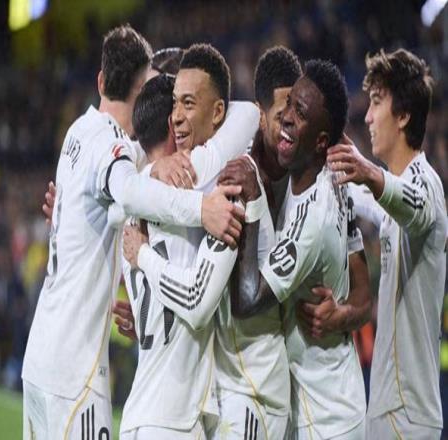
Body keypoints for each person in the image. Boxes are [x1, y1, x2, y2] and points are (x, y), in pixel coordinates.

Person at [22, 27, 243, 439]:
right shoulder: (116, 150)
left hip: (39, 359)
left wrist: (148, 170)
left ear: (100, 81)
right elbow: (128, 191)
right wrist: (201, 208)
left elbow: (119, 197)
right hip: (76, 372)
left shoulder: (77, 131)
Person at [120, 44, 260, 439]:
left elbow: (126, 192)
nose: (181, 118)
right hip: (174, 418)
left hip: (139, 413)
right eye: (176, 108)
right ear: (170, 125)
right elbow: (249, 114)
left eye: (187, 104)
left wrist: (149, 172)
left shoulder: (127, 211)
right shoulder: (193, 179)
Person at [230, 60, 366, 439]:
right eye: (289, 104)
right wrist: (344, 315)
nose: (287, 118)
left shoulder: (311, 220)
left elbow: (246, 299)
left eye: (300, 113)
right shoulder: (331, 176)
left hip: (325, 419)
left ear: (321, 142)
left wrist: (252, 204)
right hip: (337, 400)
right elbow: (363, 288)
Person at [328, 48, 447, 439]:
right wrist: (339, 166)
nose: (367, 116)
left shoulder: (426, 183)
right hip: (389, 408)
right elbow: (375, 202)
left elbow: (417, 208)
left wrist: (368, 173)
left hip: (407, 415)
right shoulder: (396, 195)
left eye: (377, 102)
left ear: (403, 115)